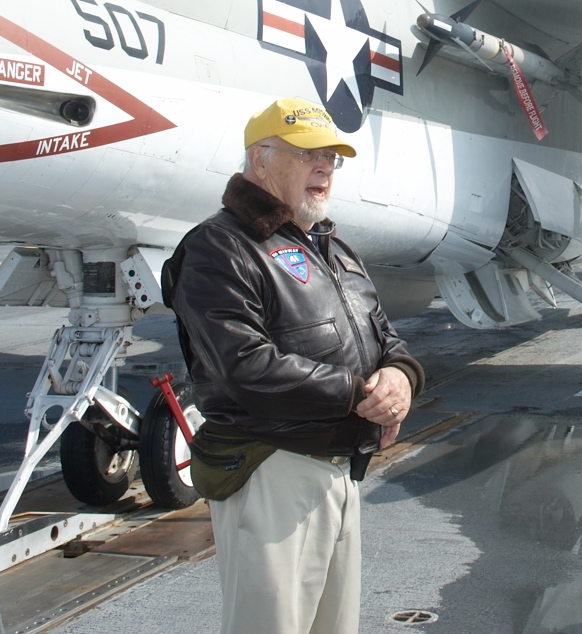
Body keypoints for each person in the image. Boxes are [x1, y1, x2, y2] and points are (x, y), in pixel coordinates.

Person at [163, 98, 425, 634]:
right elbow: (245, 365)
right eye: (309, 153)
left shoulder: (332, 248)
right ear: (261, 160)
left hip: (340, 470)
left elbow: (384, 337)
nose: (325, 166)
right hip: (271, 471)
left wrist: (400, 378)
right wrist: (359, 396)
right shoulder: (220, 248)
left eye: (332, 155)